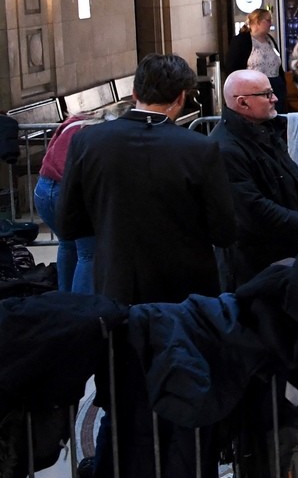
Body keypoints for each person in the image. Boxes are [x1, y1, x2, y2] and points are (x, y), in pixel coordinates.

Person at [57, 54, 237, 305]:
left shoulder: (88, 141)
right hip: (185, 291)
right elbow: (223, 231)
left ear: (133, 94)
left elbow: (68, 223)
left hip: (118, 282)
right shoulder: (200, 148)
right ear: (181, 97)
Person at [214, 70, 298, 286]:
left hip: (283, 248)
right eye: (266, 94)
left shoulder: (265, 129)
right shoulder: (226, 148)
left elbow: (289, 175)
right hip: (253, 264)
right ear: (243, 103)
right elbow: (254, 210)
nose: (274, 99)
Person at [33, 108, 102, 294]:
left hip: (43, 189)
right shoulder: (101, 132)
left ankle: (64, 299)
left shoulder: (75, 121)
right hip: (68, 191)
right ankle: (81, 307)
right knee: (88, 253)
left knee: (67, 244)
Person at [225, 8, 288, 108]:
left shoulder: (270, 40)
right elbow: (232, 67)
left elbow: (278, 64)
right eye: (268, 20)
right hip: (255, 88)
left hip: (275, 85)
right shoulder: (242, 40)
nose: (271, 24)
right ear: (258, 22)